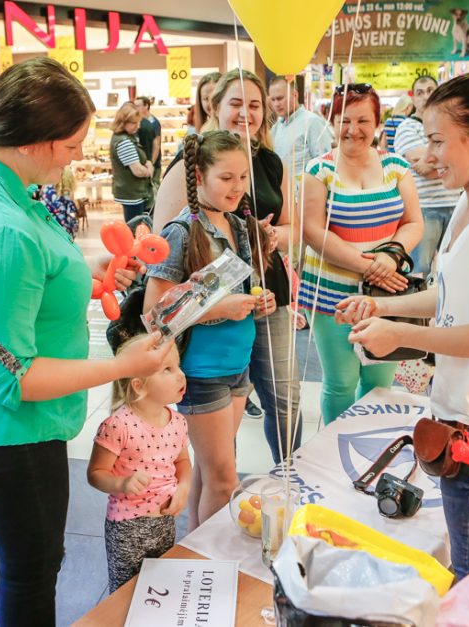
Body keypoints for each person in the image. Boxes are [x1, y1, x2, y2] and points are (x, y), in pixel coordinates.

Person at [0, 57, 171, 625]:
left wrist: (79, 282)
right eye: (70, 147)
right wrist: (120, 367)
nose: (77, 158)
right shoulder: (4, 229)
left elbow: (4, 290)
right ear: (36, 142)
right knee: (33, 565)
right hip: (7, 429)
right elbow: (14, 376)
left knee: (7, 550)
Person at [336, 69, 469, 580]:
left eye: (437, 141)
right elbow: (451, 298)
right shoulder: (467, 204)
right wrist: (385, 308)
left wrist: (401, 336)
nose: (428, 156)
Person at [153, 70, 302, 466]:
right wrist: (216, 307)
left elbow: (292, 225)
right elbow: (163, 272)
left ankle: (288, 477)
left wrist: (269, 238)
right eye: (235, 103)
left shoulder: (266, 168)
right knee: (218, 457)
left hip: (255, 314)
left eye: (254, 104)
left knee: (281, 399)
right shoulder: (187, 189)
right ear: (213, 107)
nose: (245, 112)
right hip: (205, 345)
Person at [145, 131, 276, 529]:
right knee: (224, 480)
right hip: (203, 371)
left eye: (242, 178)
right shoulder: (181, 232)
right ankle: (212, 567)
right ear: (199, 175)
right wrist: (222, 307)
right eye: (226, 178)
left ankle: (196, 553)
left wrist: (257, 301)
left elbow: (238, 292)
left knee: (208, 471)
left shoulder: (239, 225)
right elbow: (154, 315)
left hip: (238, 364)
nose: (237, 187)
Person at [298, 82, 423, 425]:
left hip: (387, 291)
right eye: (344, 120)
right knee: (341, 383)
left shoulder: (395, 165)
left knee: (378, 382)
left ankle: (369, 452)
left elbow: (413, 222)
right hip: (332, 295)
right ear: (331, 120)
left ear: (377, 122)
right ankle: (334, 457)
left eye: (363, 120)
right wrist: (369, 267)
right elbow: (313, 232)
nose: (354, 130)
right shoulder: (317, 170)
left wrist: (390, 257)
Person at [87, 337, 191, 592]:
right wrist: (121, 483)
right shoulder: (117, 425)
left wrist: (184, 487)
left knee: (159, 586)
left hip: (165, 521)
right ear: (139, 385)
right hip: (128, 527)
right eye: (168, 369)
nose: (181, 375)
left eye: (177, 366)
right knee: (126, 592)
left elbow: (183, 461)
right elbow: (95, 473)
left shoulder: (178, 421)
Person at [395, 75, 462, 277]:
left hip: (456, 205)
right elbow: (422, 161)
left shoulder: (451, 126)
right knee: (418, 270)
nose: (425, 96)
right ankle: (415, 308)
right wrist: (449, 158)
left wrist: (436, 160)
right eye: (420, 92)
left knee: (454, 268)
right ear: (413, 98)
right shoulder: (407, 127)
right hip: (424, 208)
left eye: (430, 90)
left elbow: (456, 155)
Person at [268, 75, 334, 180]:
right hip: (281, 192)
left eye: (280, 98)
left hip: (306, 193)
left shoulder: (312, 122)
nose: (276, 104)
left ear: (295, 95)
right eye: (273, 99)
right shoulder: (277, 127)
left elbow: (325, 164)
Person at [110, 102, 154, 222]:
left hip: (133, 192)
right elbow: (138, 171)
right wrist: (149, 169)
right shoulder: (124, 142)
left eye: (138, 122)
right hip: (133, 194)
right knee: (136, 229)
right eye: (134, 123)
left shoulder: (124, 137)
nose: (138, 126)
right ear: (123, 123)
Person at [135, 95, 162, 186]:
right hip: (144, 163)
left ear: (146, 106)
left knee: (153, 188)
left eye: (138, 106)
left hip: (152, 163)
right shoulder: (139, 122)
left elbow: (157, 144)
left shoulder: (154, 123)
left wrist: (152, 163)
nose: (136, 108)